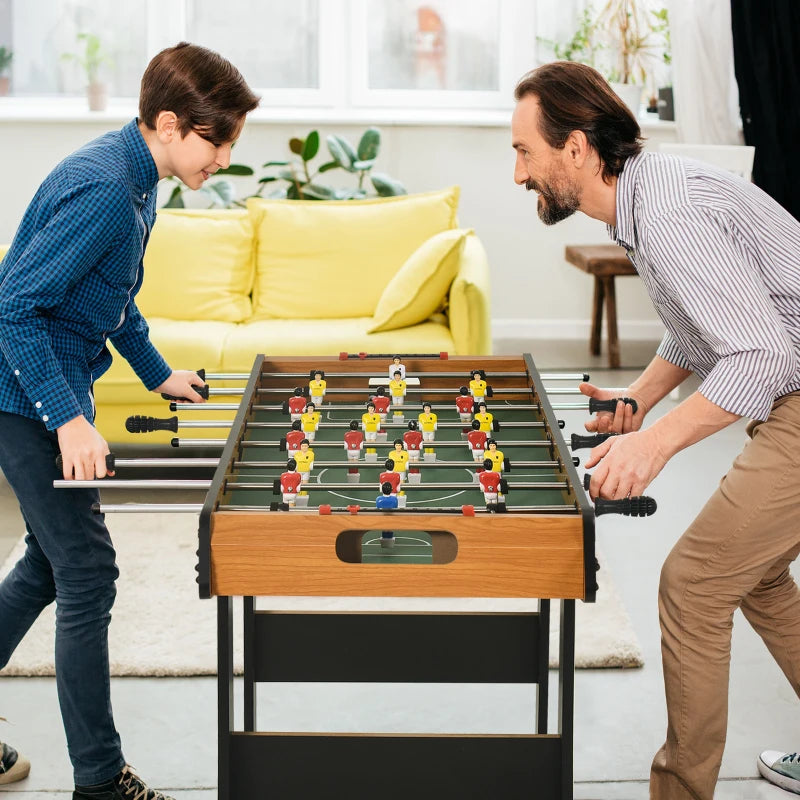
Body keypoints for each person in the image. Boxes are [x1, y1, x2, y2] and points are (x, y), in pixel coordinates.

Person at [512, 60, 800, 800]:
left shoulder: (665, 213)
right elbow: (706, 331)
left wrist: (654, 444)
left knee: (695, 583)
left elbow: (760, 353)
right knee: (757, 576)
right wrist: (640, 400)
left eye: (524, 152)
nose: (518, 174)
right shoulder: (644, 202)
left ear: (575, 148)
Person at [0, 42, 258, 800]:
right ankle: (100, 781)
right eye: (218, 141)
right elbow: (15, 309)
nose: (224, 158)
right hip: (20, 396)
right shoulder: (110, 189)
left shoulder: (139, 182)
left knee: (50, 566)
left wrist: (158, 375)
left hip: (46, 388)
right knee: (88, 573)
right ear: (172, 124)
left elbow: (107, 297)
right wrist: (68, 420)